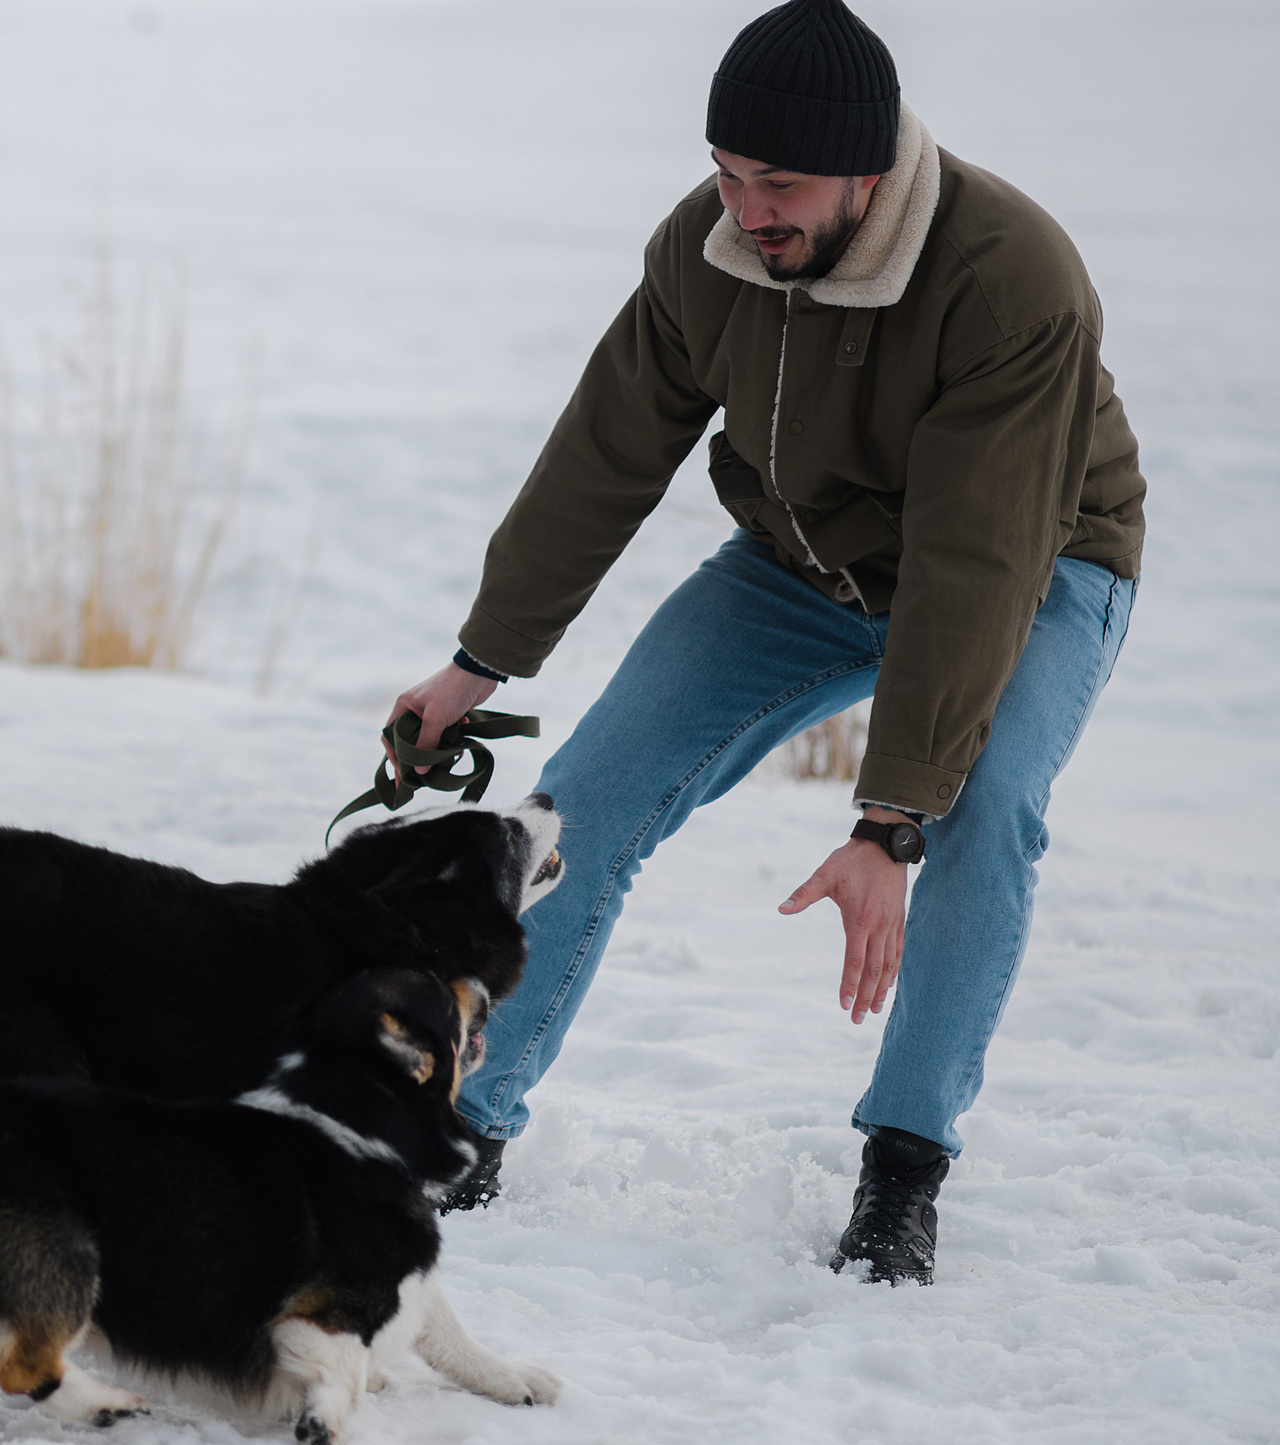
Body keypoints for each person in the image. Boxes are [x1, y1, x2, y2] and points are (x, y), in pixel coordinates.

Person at [389, 0, 1143, 1282]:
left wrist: (888, 819)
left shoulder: (1007, 277)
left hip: (1034, 564)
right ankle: (461, 1128)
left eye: (778, 185)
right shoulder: (709, 247)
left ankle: (903, 1167)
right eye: (728, 177)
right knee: (581, 808)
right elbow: (603, 455)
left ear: (870, 169)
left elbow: (974, 562)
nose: (746, 211)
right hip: (801, 567)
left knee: (989, 809)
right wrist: (481, 661)